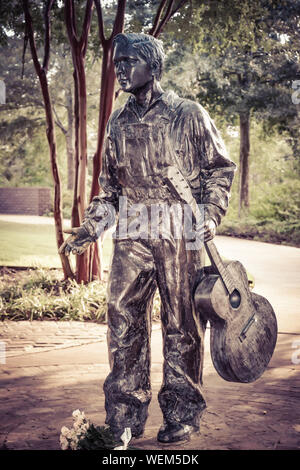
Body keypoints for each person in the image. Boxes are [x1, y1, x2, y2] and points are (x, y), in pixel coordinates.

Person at [59, 33, 236, 444]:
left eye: (128, 61)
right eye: (116, 62)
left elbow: (221, 169)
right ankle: (124, 414)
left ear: (152, 67)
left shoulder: (188, 114)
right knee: (122, 324)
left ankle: (183, 414)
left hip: (180, 231)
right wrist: (90, 229)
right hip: (133, 233)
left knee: (182, 325)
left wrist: (210, 214)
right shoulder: (117, 123)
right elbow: (110, 192)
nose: (119, 69)